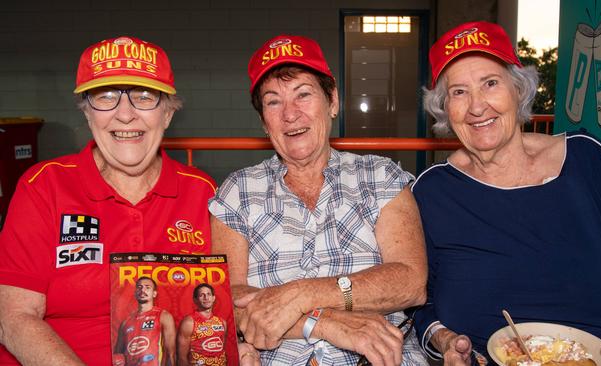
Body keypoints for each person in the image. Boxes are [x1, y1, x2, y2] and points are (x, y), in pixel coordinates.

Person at [411, 20, 601, 366]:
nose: (477, 107)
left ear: (519, 89)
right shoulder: (432, 192)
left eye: (490, 84)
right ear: (444, 108)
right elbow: (419, 303)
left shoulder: (588, 160)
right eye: (458, 92)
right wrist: (445, 340)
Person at [209, 34, 429, 366]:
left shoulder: (380, 175)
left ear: (333, 101)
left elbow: (410, 282)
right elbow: (225, 298)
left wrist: (305, 294)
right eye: (273, 101)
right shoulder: (238, 191)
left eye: (303, 95)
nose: (290, 114)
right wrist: (323, 323)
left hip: (383, 357)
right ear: (263, 123)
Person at [0, 36, 218, 365]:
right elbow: (13, 317)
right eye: (106, 97)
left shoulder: (203, 192)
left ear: (168, 114)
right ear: (88, 114)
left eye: (145, 97)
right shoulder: (44, 187)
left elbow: (216, 311)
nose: (125, 114)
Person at [114, 277, 176, 366]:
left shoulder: (163, 316)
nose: (143, 290)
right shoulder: (125, 322)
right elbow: (118, 355)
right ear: (135, 293)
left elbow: (171, 354)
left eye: (147, 287)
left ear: (154, 294)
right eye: (139, 287)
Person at [177, 284, 228, 366]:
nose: (206, 298)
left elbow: (222, 350)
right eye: (201, 295)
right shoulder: (189, 322)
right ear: (195, 300)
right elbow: (181, 357)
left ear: (213, 298)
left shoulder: (222, 322)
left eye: (208, 294)